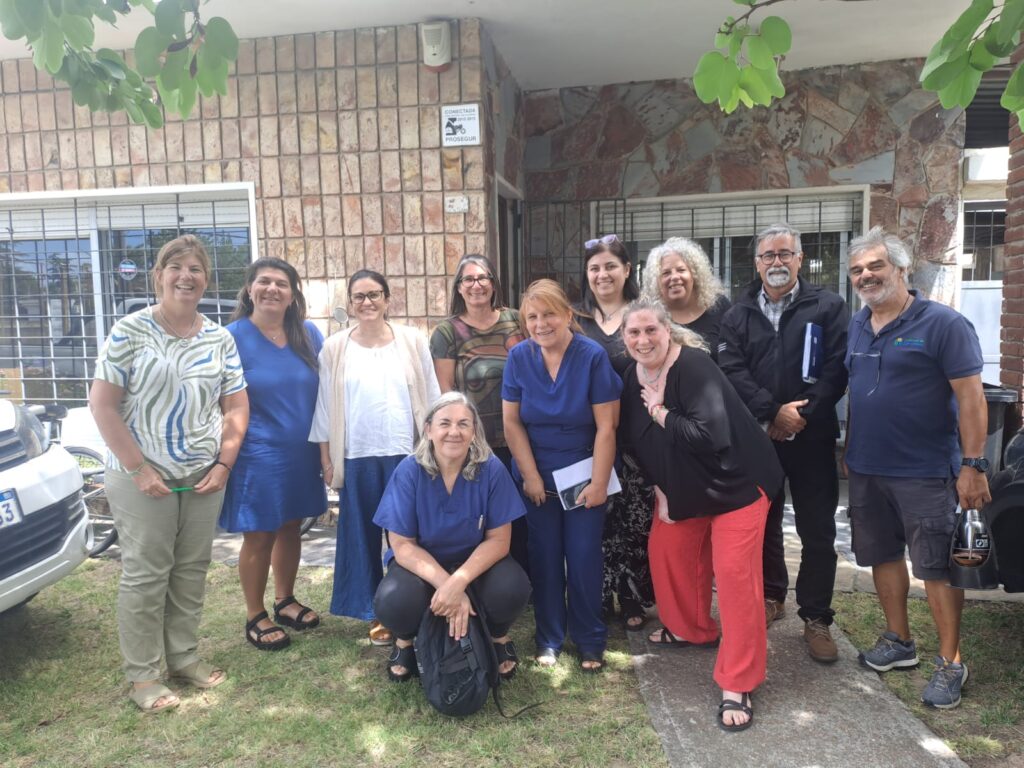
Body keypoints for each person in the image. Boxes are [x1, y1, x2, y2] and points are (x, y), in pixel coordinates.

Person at [89, 235, 249, 714]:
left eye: (196, 269)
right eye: (176, 267)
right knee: (146, 573)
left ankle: (183, 658)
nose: (186, 276)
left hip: (202, 474)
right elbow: (103, 405)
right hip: (141, 473)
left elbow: (236, 406)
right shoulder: (129, 331)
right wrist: (139, 469)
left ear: (206, 280)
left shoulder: (219, 338)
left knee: (191, 569)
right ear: (158, 276)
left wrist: (224, 463)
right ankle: (143, 674)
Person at [620, 297, 783, 732]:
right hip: (686, 488)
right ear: (623, 337)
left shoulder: (693, 366)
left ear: (667, 330)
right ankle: (690, 628)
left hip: (739, 485)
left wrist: (660, 411)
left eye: (651, 330)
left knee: (734, 577)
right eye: (634, 332)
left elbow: (710, 434)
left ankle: (738, 681)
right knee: (667, 550)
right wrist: (660, 489)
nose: (643, 340)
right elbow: (635, 441)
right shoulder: (631, 376)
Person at [845, 227, 989, 710]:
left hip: (924, 470)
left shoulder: (944, 324)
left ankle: (951, 661)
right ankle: (899, 641)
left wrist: (973, 465)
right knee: (882, 554)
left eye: (876, 266)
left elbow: (971, 399)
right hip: (866, 468)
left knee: (935, 567)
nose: (866, 276)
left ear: (901, 269)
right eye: (857, 270)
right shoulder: (858, 324)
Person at [718, 223, 850, 662]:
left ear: (800, 259)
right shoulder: (737, 313)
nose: (776, 262)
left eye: (784, 254)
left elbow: (836, 369)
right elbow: (732, 372)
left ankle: (816, 617)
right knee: (762, 526)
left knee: (818, 529)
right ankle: (772, 597)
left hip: (813, 437)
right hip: (759, 439)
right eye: (768, 255)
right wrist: (772, 412)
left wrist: (799, 417)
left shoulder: (828, 306)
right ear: (757, 264)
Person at [310, 269, 440, 645]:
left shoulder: (412, 341)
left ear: (387, 299)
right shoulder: (335, 348)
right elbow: (324, 408)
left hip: (406, 455)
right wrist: (326, 461)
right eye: (359, 296)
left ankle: (414, 603)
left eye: (374, 295)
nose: (367, 302)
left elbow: (432, 398)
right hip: (356, 457)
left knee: (409, 536)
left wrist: (434, 450)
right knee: (362, 537)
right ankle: (374, 611)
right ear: (350, 303)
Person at [502, 279, 621, 672]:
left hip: (584, 471)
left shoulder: (592, 356)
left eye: (549, 314)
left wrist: (599, 483)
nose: (541, 324)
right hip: (536, 473)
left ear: (568, 314)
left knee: (584, 557)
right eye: (532, 317)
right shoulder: (519, 357)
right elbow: (511, 423)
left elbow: (606, 427)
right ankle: (549, 638)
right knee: (545, 557)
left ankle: (590, 639)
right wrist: (530, 476)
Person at [372, 392, 532, 681]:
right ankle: (405, 641)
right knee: (393, 600)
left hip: (475, 566)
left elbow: (499, 540)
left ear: (474, 431)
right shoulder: (409, 471)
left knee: (512, 587)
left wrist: (458, 582)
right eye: (445, 423)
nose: (454, 432)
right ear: (429, 429)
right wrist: (446, 585)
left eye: (463, 424)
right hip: (422, 568)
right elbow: (402, 545)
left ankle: (497, 637)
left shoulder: (491, 469)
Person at [219, 258, 327, 651]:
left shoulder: (308, 334)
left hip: (302, 452)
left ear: (293, 294)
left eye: (282, 283)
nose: (272, 289)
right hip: (257, 454)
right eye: (263, 281)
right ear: (249, 289)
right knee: (260, 533)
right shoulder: (230, 338)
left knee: (291, 526)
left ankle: (285, 600)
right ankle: (254, 614)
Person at [575, 234, 654, 630]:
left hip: (639, 433)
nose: (602, 274)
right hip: (590, 436)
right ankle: (602, 595)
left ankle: (633, 596)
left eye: (610, 266)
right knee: (599, 518)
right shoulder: (575, 320)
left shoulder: (643, 315)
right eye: (594, 268)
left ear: (627, 270)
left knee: (636, 519)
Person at [429, 254, 527, 571]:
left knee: (521, 517)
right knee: (483, 517)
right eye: (468, 279)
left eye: (483, 277)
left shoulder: (517, 321)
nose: (476, 285)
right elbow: (446, 392)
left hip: (521, 437)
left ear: (493, 283)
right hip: (475, 443)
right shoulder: (447, 332)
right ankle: (480, 578)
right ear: (459, 287)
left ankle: (521, 581)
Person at [643, 237, 731, 360]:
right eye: (666, 273)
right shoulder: (650, 315)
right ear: (656, 281)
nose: (674, 277)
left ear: (694, 274)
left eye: (681, 270)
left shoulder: (719, 306)